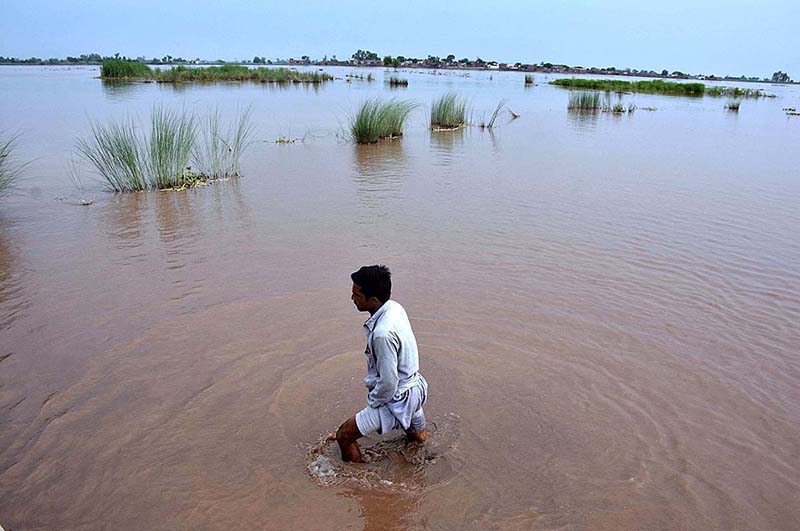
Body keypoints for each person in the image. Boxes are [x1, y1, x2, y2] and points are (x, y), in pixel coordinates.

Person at [335, 265, 429, 463]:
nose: (352, 299)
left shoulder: (382, 334)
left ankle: (358, 483)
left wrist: (373, 405)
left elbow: (388, 383)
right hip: (416, 388)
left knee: (344, 435)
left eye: (356, 295)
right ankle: (422, 463)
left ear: (373, 300)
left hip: (398, 399)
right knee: (418, 439)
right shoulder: (395, 307)